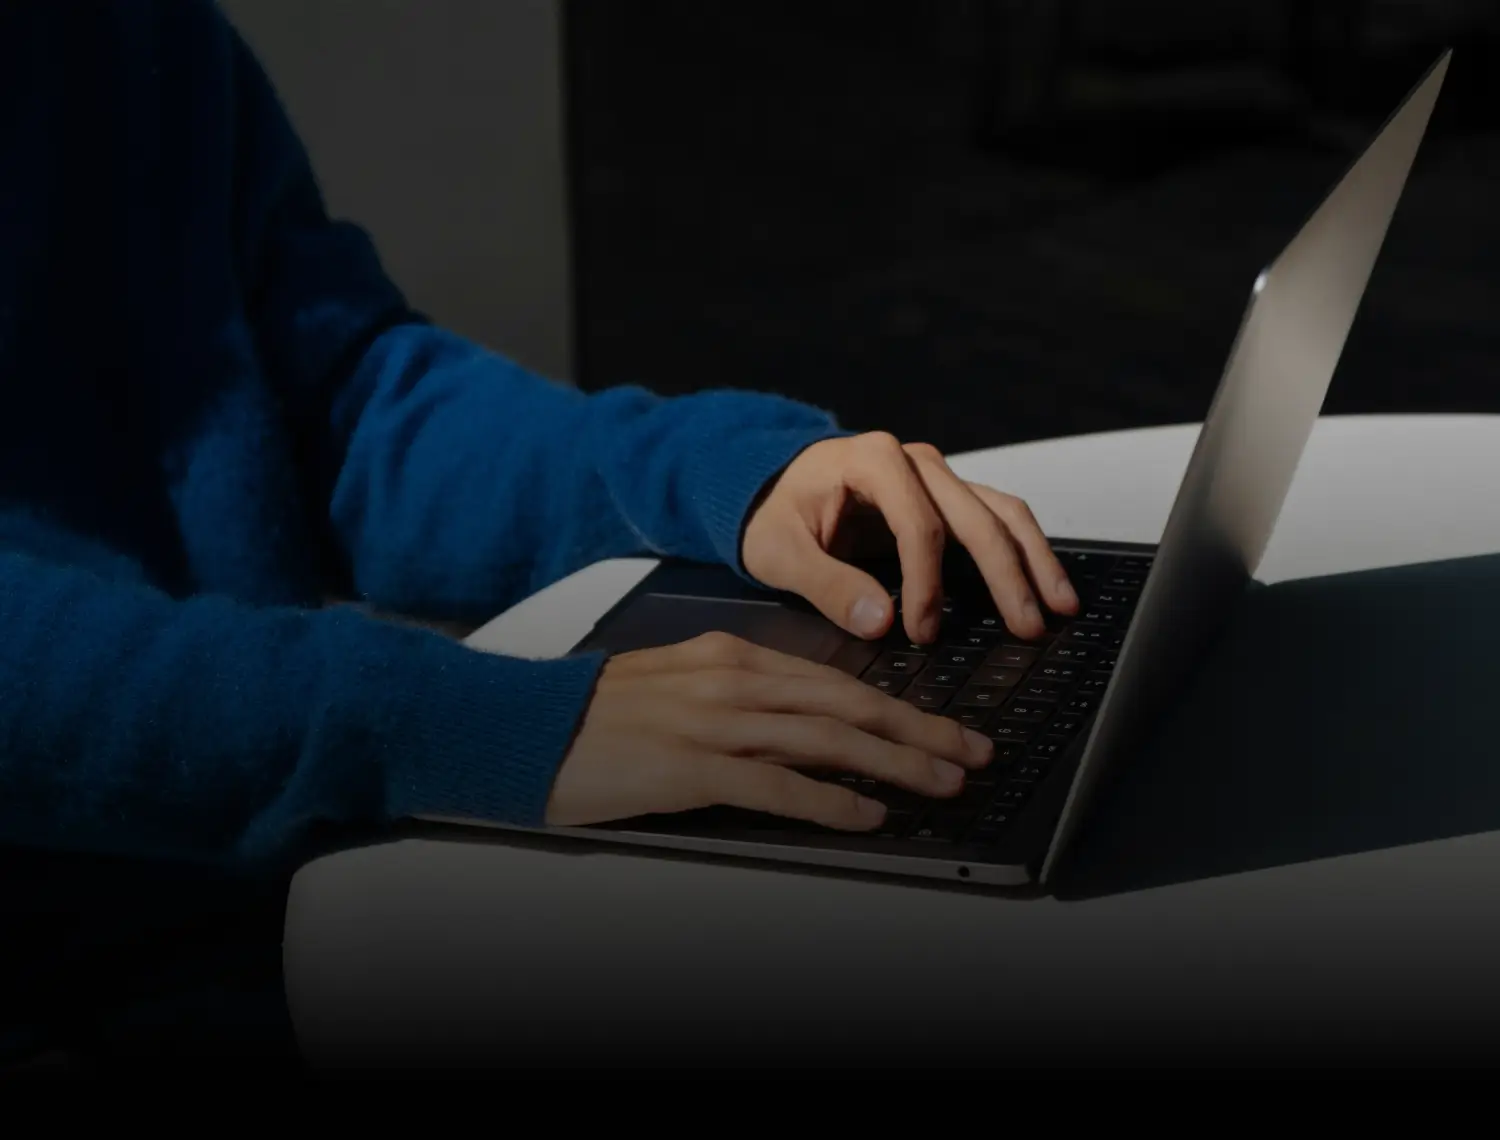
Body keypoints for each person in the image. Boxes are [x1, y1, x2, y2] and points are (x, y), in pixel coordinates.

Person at [0, 2, 1078, 1066]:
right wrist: (449, 721)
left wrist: (726, 474)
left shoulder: (137, 38)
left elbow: (346, 412)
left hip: (269, 888)